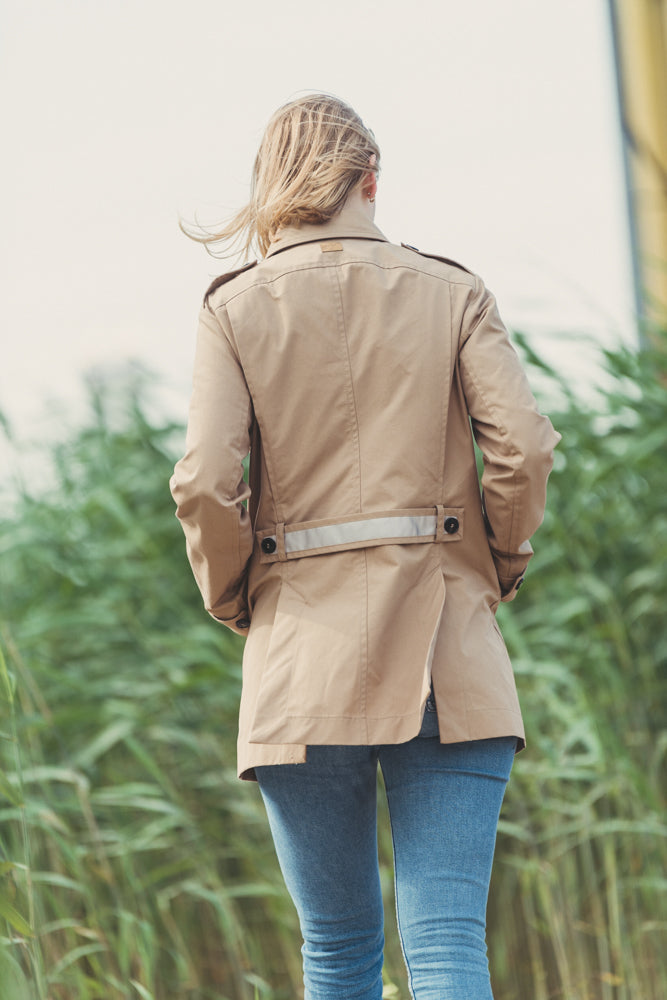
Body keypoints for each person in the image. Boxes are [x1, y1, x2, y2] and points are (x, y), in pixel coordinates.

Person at [170, 93, 560, 1000]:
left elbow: (205, 481)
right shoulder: (454, 292)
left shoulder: (233, 309)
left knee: (337, 952)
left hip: (298, 659)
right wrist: (497, 564)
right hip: (446, 644)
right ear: (370, 181)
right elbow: (523, 448)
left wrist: (235, 597)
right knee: (448, 944)